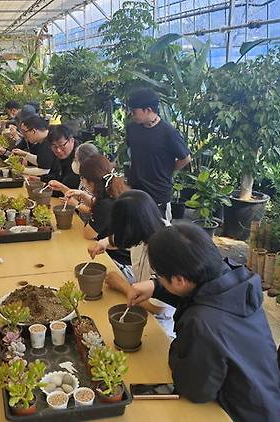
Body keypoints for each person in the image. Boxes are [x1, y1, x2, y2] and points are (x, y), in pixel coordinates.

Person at [127, 223, 280, 421]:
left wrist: (178, 351)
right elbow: (200, 295)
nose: (158, 279)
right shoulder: (235, 281)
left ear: (179, 280)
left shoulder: (202, 322)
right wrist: (155, 287)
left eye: (159, 276)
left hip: (237, 415)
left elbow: (196, 391)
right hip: (270, 406)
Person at [87, 190, 174, 337]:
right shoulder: (146, 228)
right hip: (139, 297)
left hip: (159, 323)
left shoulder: (166, 249)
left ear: (132, 227)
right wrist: (103, 243)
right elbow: (121, 239)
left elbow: (158, 307)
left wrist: (122, 286)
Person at [126, 88, 191, 219]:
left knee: (159, 233)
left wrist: (168, 170)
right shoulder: (132, 128)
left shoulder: (168, 133)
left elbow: (186, 158)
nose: (131, 115)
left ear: (148, 110)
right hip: (135, 189)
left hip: (158, 192)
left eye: (134, 111)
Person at [64, 155, 131, 266]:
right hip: (121, 252)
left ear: (90, 182)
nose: (82, 182)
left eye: (82, 179)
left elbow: (88, 234)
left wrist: (77, 205)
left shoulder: (106, 204)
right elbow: (97, 204)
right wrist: (81, 194)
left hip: (117, 259)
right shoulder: (113, 189)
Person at [39, 124, 80, 197]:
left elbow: (70, 187)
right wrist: (40, 179)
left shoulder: (80, 160)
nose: (58, 150)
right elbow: (55, 175)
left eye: (62, 145)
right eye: (54, 146)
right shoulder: (60, 157)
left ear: (72, 141)